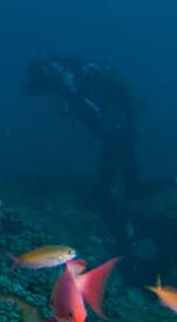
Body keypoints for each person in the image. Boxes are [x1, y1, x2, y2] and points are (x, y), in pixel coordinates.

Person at [24, 56, 140, 221]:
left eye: (50, 69)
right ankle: (111, 207)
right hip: (113, 130)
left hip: (117, 129)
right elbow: (31, 89)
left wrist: (71, 88)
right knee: (116, 181)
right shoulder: (63, 82)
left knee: (129, 185)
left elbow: (97, 112)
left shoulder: (79, 77)